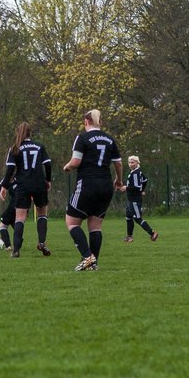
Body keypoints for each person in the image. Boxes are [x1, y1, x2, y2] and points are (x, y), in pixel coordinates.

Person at [62, 109, 123, 271]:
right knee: (95, 226)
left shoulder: (82, 138)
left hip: (88, 184)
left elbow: (75, 162)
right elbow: (118, 163)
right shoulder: (110, 140)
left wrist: (67, 166)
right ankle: (93, 263)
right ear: (100, 122)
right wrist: (119, 180)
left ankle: (87, 256)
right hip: (106, 186)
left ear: (86, 122)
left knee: (72, 222)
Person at [2, 122, 53, 258]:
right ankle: (41, 242)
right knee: (42, 214)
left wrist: (4, 186)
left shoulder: (15, 148)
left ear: (17, 133)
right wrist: (48, 180)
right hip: (39, 184)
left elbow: (10, 171)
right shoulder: (39, 146)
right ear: (30, 133)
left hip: (23, 185)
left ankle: (16, 250)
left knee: (20, 217)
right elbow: (48, 164)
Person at [120, 155, 158, 243]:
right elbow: (145, 180)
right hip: (131, 199)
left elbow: (137, 187)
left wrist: (126, 187)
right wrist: (142, 190)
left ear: (137, 163)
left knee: (137, 218)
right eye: (129, 162)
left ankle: (152, 233)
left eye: (133, 162)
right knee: (128, 217)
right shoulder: (136, 172)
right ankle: (129, 237)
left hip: (134, 200)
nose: (130, 164)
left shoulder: (136, 173)